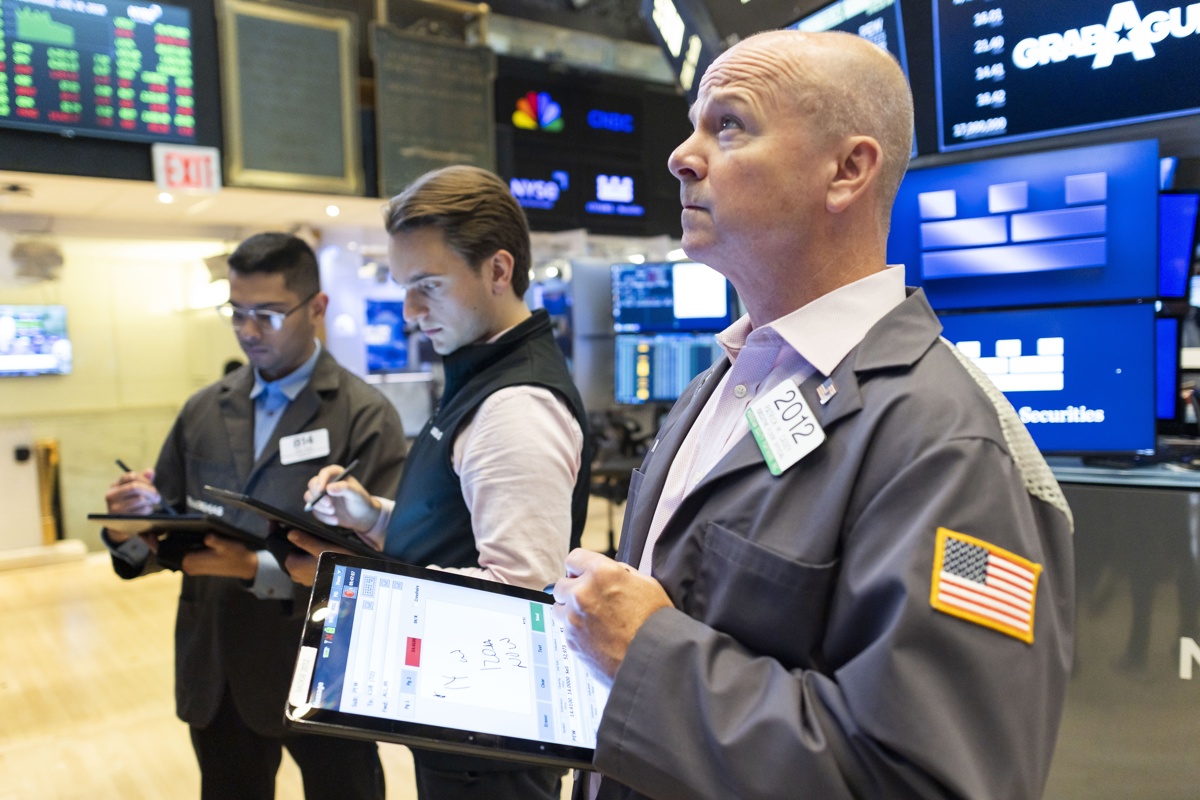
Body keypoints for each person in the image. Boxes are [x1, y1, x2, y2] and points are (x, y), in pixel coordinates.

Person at [552, 30, 1075, 800]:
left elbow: (925, 782)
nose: (681, 156)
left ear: (847, 171)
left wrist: (650, 654)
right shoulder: (726, 383)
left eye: (728, 125)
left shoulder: (948, 443)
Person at [285, 165, 591, 800]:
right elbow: (459, 533)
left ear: (498, 270)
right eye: (404, 287)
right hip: (462, 716)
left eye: (427, 285)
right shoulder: (480, 371)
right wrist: (373, 518)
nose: (409, 312)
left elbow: (518, 593)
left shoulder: (515, 406)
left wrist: (353, 587)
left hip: (492, 742)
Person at [102, 232, 406, 800]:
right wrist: (127, 529)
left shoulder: (365, 415)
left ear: (317, 308)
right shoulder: (204, 409)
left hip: (321, 671)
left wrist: (255, 568)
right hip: (217, 669)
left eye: (267, 314)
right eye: (236, 313)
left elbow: (386, 568)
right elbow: (161, 530)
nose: (247, 330)